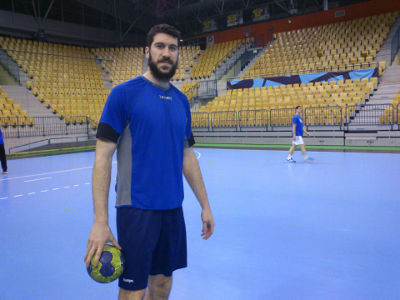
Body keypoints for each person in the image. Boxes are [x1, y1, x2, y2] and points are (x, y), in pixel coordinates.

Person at [84, 24, 214, 300]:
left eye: (172, 48)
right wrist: (100, 220)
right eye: (160, 46)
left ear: (178, 54)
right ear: (147, 51)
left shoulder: (181, 102)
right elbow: (103, 156)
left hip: (172, 209)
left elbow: (187, 156)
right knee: (134, 290)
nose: (166, 53)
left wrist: (205, 205)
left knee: (164, 283)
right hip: (136, 209)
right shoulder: (124, 95)